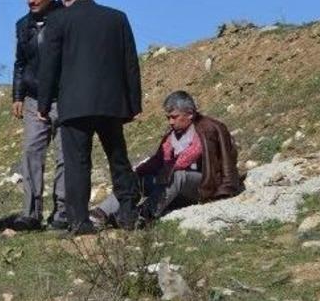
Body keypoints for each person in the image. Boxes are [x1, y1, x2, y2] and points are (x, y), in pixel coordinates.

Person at [36, 0, 142, 235]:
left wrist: (43, 105)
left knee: (78, 164)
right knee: (118, 158)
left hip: (74, 105)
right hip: (111, 103)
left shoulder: (58, 20)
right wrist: (134, 103)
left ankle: (79, 221)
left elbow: (49, 66)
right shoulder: (116, 18)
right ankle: (128, 212)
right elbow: (130, 63)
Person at [90, 91, 242, 225]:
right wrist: (136, 173)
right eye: (168, 117)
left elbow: (190, 155)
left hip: (204, 185)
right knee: (137, 180)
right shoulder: (173, 134)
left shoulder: (207, 128)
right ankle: (102, 213)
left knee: (177, 175)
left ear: (189, 113)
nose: (171, 121)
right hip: (174, 183)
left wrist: (168, 169)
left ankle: (143, 215)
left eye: (174, 117)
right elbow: (158, 159)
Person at [11, 0, 68, 231]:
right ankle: (30, 213)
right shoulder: (23, 25)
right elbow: (20, 63)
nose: (31, 1)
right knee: (31, 152)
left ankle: (63, 211)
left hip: (64, 97)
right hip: (34, 98)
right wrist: (17, 95)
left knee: (64, 155)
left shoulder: (65, 19)